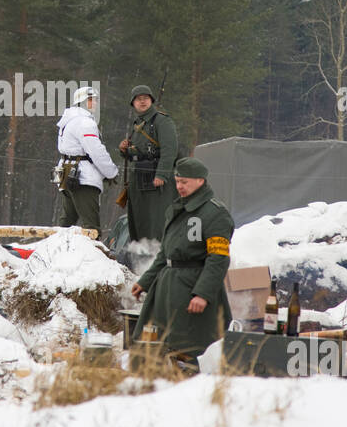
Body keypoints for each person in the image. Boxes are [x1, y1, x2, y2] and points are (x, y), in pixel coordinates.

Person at [130, 156, 234, 364]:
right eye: (177, 181)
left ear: (200, 181)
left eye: (184, 182)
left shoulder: (215, 214)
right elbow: (165, 254)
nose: (179, 187)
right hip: (166, 288)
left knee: (189, 346)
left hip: (191, 288)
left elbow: (218, 259)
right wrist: (146, 281)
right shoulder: (176, 210)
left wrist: (202, 293)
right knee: (155, 341)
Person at [118, 84, 178, 243]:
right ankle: (142, 260)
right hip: (139, 180)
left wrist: (162, 174)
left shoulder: (162, 120)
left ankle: (158, 261)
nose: (142, 101)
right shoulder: (138, 124)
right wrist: (124, 150)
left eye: (145, 98)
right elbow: (138, 153)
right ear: (133, 103)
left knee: (156, 225)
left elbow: (170, 150)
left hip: (156, 182)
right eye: (138, 99)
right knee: (139, 224)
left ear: (151, 100)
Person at [55, 86, 119, 232]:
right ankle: (91, 254)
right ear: (82, 102)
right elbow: (96, 151)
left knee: (67, 222)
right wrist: (111, 172)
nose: (95, 103)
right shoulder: (85, 122)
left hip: (66, 172)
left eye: (95, 99)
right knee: (91, 227)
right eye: (91, 99)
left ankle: (55, 251)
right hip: (82, 176)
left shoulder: (68, 120)